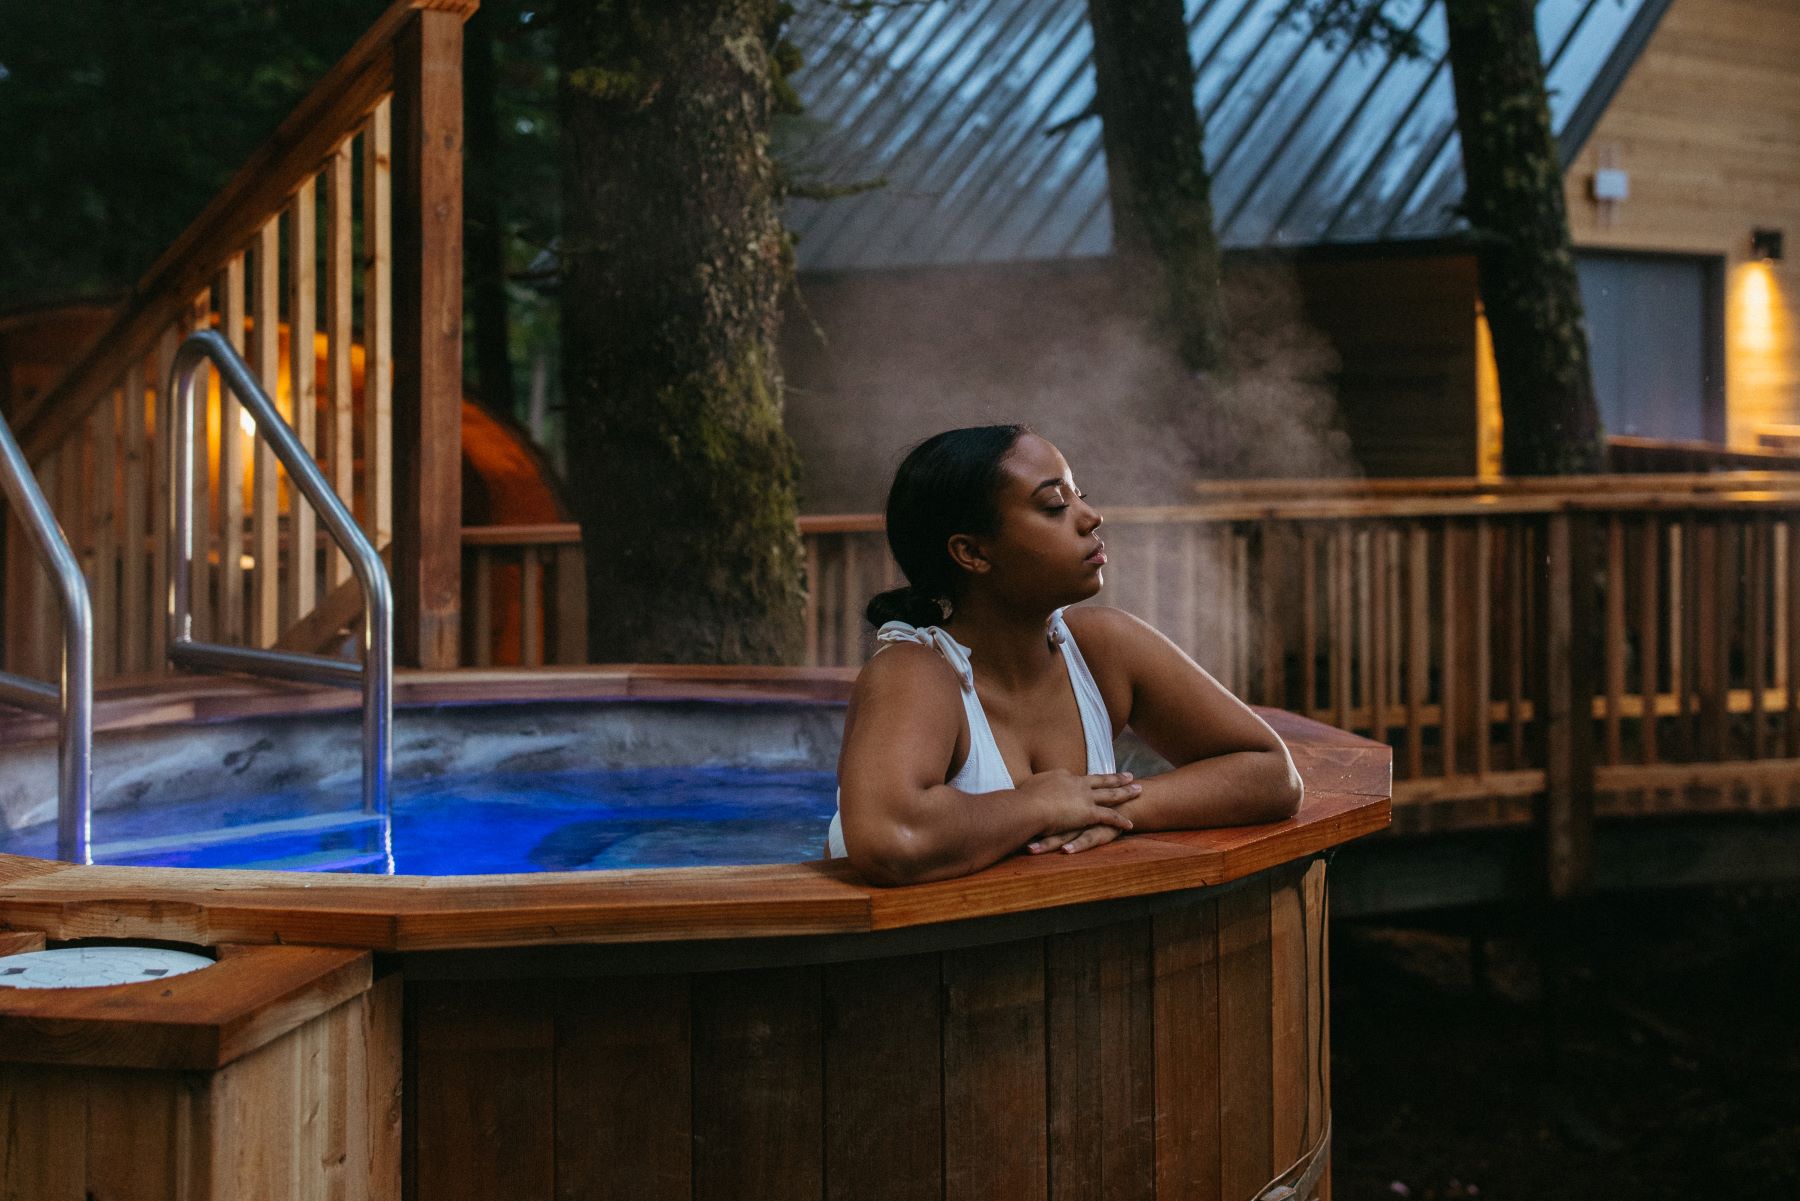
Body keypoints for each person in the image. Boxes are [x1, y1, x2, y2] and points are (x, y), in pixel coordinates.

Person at [828, 425, 1302, 886]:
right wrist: (1037, 806)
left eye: (1079, 495)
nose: (1091, 517)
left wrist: (1104, 806)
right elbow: (890, 839)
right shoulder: (916, 673)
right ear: (972, 552)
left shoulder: (1104, 647)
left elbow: (1273, 775)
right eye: (1055, 505)